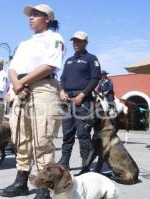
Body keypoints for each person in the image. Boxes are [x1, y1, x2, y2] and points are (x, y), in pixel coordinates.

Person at [0, 4, 64, 199]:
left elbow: (51, 64)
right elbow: (12, 68)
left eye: (36, 15)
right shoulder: (24, 43)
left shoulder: (55, 39)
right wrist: (17, 84)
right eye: (30, 15)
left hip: (43, 88)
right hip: (21, 89)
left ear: (48, 19)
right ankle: (21, 182)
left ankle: (44, 188)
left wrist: (22, 83)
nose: (31, 17)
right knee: (21, 138)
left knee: (42, 139)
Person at [58, 31, 101, 173]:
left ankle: (85, 164)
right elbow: (63, 78)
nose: (76, 43)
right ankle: (64, 161)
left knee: (83, 134)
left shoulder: (91, 59)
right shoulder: (69, 60)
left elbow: (95, 79)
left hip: (82, 101)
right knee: (67, 133)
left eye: (79, 41)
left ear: (86, 43)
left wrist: (82, 94)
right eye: (74, 41)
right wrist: (62, 91)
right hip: (67, 100)